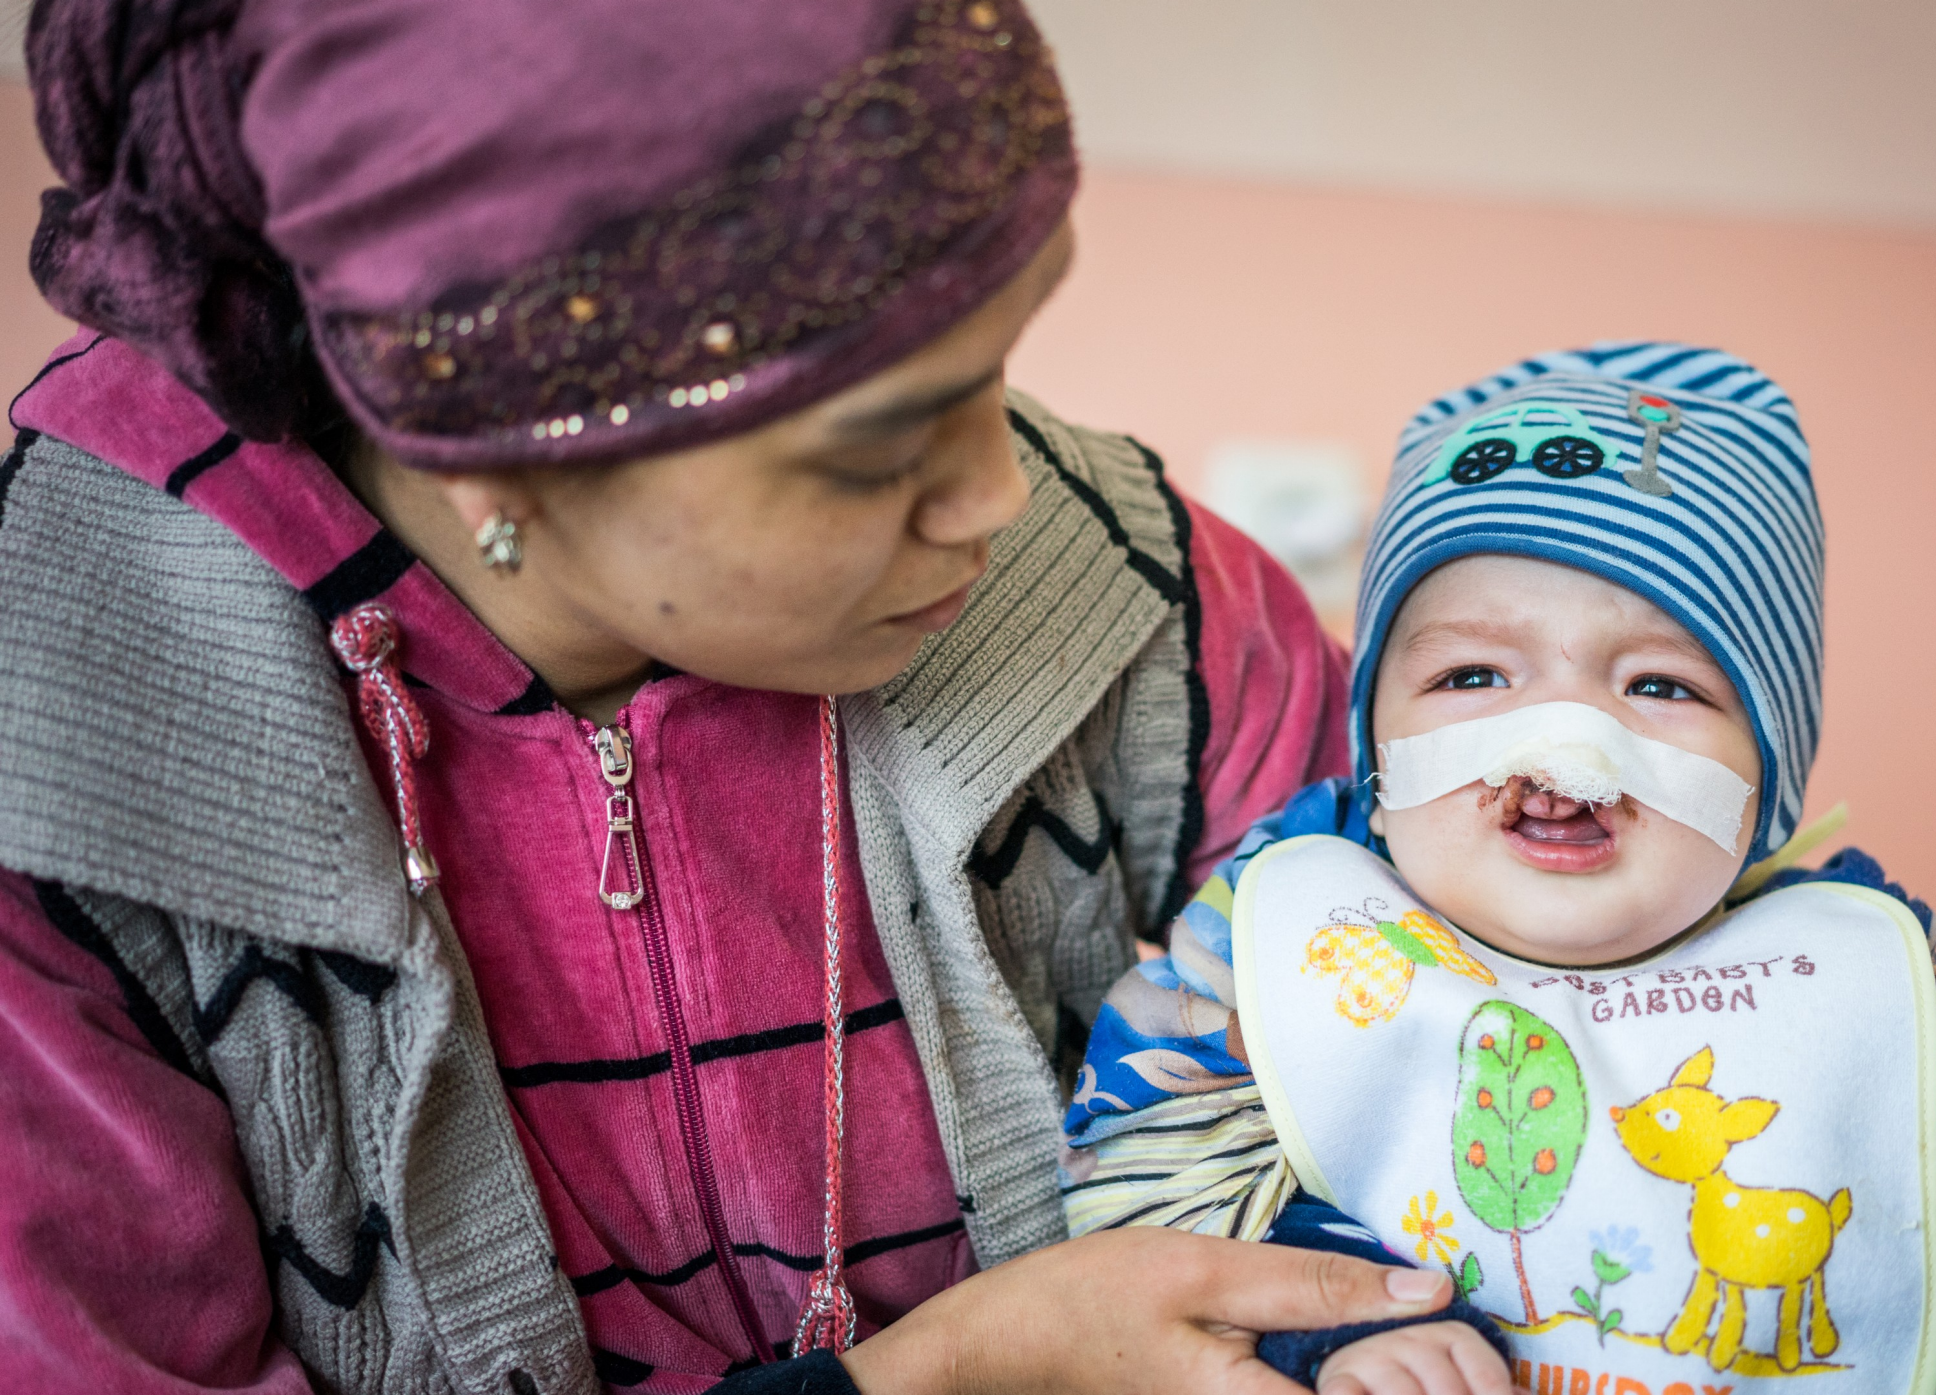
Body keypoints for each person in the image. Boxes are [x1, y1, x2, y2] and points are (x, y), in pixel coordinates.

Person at [0, 2, 1481, 1392]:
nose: (1001, 491)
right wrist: (958, 1366)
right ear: (482, 441)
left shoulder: (1138, 596)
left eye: (1002, 363)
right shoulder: (59, 784)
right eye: (872, 448)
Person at [1063, 346, 1936, 1394]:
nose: (1559, 736)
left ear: (1762, 792)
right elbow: (1150, 1201)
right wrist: (1344, 1325)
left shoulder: (1826, 970)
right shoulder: (1294, 942)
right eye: (1468, 677)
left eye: (1657, 687)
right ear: (1374, 748)